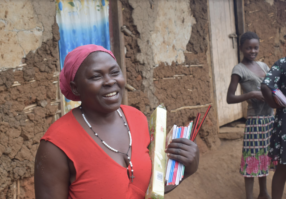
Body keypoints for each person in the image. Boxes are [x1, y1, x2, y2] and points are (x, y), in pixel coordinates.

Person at [34, 44, 199, 199]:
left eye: (114, 72)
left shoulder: (137, 119)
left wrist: (186, 169)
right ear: (75, 87)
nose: (110, 81)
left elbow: (148, 190)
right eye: (96, 76)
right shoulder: (57, 145)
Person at [226, 32, 274, 199]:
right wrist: (251, 94)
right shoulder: (238, 69)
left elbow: (271, 88)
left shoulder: (263, 66)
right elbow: (229, 98)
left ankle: (264, 192)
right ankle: (249, 197)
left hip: (269, 119)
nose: (252, 51)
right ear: (241, 48)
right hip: (255, 121)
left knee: (264, 156)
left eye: (255, 47)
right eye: (248, 48)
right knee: (251, 159)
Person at [261, 57, 286, 199]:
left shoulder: (282, 63)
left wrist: (274, 104)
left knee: (282, 168)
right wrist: (273, 104)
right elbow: (265, 86)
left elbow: (265, 85)